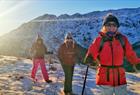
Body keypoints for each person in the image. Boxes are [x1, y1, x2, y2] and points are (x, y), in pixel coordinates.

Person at [84, 13, 140, 95]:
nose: (111, 27)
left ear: (117, 27)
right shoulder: (99, 40)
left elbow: (130, 53)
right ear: (104, 26)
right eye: (108, 25)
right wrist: (90, 57)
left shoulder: (122, 39)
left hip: (120, 78)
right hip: (104, 77)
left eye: (114, 25)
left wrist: (136, 62)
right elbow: (93, 50)